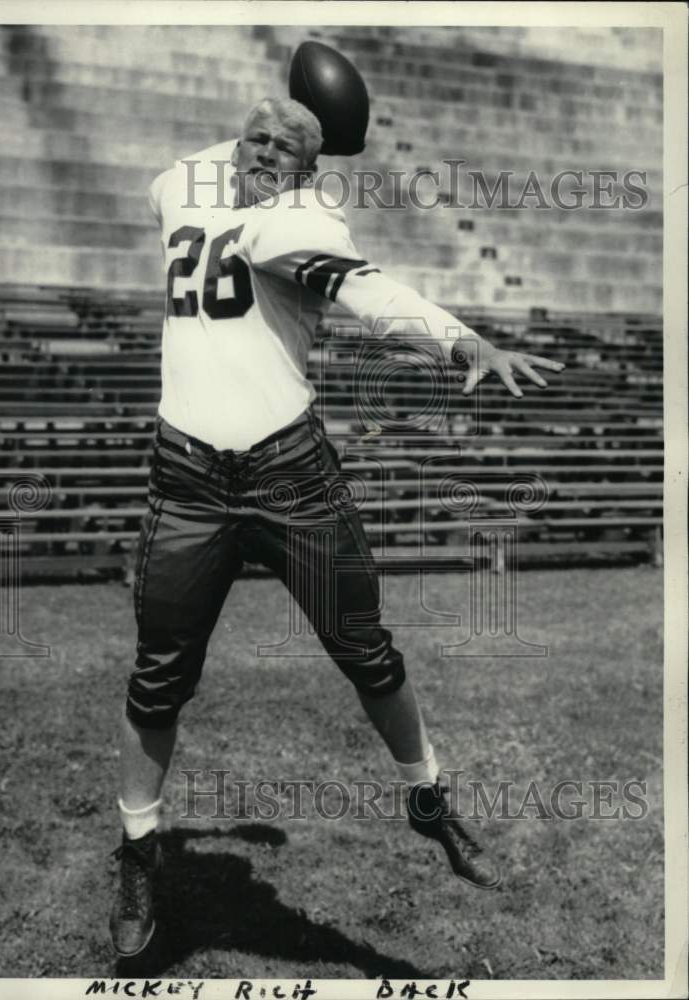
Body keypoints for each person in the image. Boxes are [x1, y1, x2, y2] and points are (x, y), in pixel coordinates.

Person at [110, 97, 564, 956]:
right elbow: (231, 152)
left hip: (289, 472)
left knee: (365, 649)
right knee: (156, 678)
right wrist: (282, 120)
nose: (265, 154)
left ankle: (426, 797)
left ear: (309, 169)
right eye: (256, 139)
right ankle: (138, 851)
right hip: (187, 476)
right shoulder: (182, 183)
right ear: (235, 141)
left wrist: (463, 344)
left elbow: (368, 291)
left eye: (287, 149)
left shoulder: (300, 217)